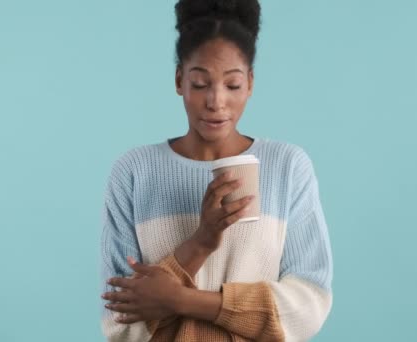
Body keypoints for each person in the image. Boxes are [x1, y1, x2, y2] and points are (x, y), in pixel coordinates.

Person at [99, 0, 333, 340]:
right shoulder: (134, 173)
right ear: (180, 80)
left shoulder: (287, 168)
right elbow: (121, 326)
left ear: (250, 83)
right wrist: (200, 243)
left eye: (232, 85)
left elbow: (307, 306)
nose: (216, 101)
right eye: (200, 83)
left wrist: (181, 299)